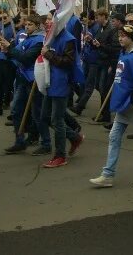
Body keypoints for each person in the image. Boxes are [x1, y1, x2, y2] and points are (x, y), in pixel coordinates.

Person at [89, 24, 133, 188]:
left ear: (132, 38)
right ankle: (108, 175)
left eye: (124, 36)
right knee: (114, 136)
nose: (120, 38)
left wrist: (132, 100)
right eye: (119, 35)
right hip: (123, 104)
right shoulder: (122, 53)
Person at [0, 14, 47, 153]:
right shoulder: (28, 37)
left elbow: (26, 58)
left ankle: (46, 143)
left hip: (33, 80)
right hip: (22, 78)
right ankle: (19, 141)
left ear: (37, 26)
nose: (27, 26)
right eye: (26, 24)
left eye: (30, 24)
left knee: (38, 113)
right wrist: (7, 49)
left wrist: (10, 49)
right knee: (16, 109)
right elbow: (16, 52)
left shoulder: (39, 40)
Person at [40, 25, 85, 168]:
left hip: (61, 83)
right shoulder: (51, 37)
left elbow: (67, 62)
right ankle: (74, 137)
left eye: (50, 19)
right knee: (45, 117)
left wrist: (48, 54)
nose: (47, 23)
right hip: (50, 82)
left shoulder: (68, 39)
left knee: (57, 120)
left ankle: (60, 156)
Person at [92, 8, 120, 124]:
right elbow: (98, 44)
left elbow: (113, 48)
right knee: (98, 86)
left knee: (104, 88)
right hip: (100, 60)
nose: (96, 19)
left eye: (98, 17)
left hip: (107, 62)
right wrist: (91, 42)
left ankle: (105, 114)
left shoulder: (111, 30)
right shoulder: (100, 28)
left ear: (104, 16)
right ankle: (104, 111)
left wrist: (100, 45)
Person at [71, 10, 100, 116]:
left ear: (90, 19)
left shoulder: (97, 28)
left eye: (84, 19)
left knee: (89, 85)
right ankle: (81, 99)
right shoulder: (87, 27)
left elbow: (98, 44)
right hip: (87, 58)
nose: (82, 21)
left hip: (94, 60)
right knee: (83, 81)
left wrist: (91, 40)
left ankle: (80, 107)